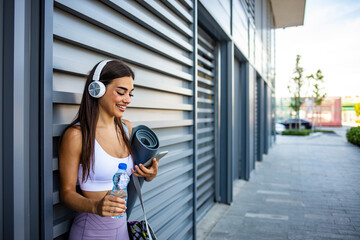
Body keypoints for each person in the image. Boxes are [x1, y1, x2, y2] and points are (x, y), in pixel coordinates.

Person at [59, 59, 158, 240]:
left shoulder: (127, 128)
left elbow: (126, 176)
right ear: (97, 89)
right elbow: (66, 193)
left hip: (121, 230)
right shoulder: (77, 136)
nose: (127, 100)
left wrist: (148, 174)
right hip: (90, 231)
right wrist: (96, 206)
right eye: (121, 92)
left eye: (130, 94)